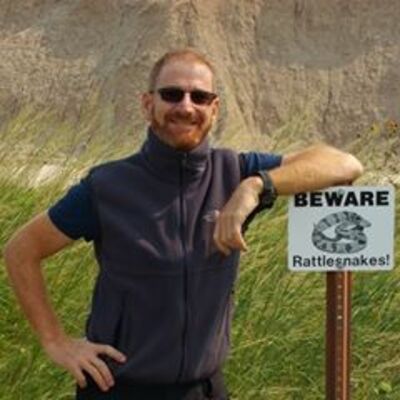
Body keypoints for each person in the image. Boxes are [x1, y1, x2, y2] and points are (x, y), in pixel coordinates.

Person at [4, 48, 363, 400]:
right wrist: (57, 343)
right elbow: (21, 251)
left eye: (200, 97)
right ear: (148, 104)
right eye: (172, 94)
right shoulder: (107, 187)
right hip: (119, 389)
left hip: (204, 389)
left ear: (214, 109)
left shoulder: (234, 172)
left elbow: (344, 163)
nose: (186, 106)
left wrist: (256, 187)